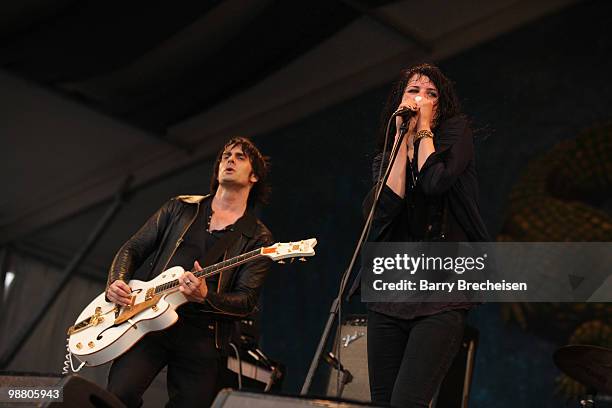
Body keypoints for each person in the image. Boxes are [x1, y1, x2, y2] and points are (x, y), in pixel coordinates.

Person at [105, 137, 273, 408]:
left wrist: (205, 296)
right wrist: (117, 281)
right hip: (148, 320)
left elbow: (246, 301)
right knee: (117, 397)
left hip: (203, 337)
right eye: (225, 155)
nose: (229, 160)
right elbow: (133, 248)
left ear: (254, 176)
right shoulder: (180, 207)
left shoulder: (258, 237)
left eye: (240, 157)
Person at [364, 63, 490, 407]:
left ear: (441, 105)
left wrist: (422, 133)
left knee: (408, 401)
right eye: (413, 91)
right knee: (382, 401)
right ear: (399, 101)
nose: (420, 99)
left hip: (442, 290)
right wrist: (402, 141)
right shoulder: (385, 157)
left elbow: (436, 183)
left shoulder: (457, 135)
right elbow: (386, 209)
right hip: (390, 289)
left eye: (430, 94)